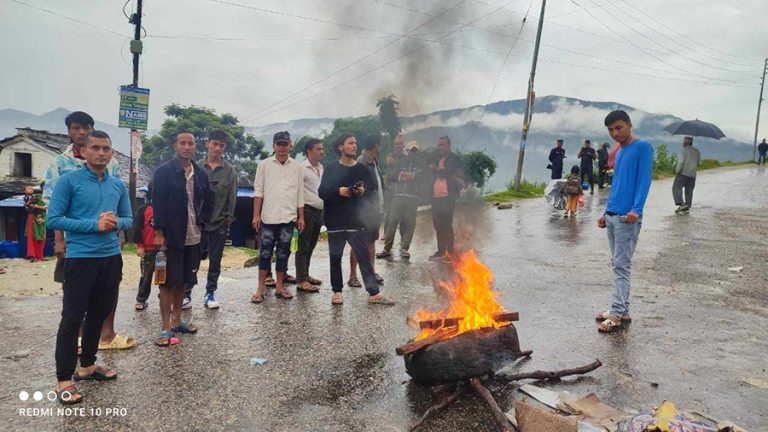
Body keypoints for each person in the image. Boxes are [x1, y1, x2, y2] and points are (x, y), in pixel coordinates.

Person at [48, 130, 132, 404]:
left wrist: (115, 223)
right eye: (95, 148)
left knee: (98, 314)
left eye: (106, 149)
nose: (101, 153)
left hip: (110, 257)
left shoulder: (117, 185)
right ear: (83, 151)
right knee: (72, 317)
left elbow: (129, 219)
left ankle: (87, 367)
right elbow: (54, 218)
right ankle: (63, 379)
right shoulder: (68, 182)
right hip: (80, 258)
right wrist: (92, 225)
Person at [152, 131, 214, 346]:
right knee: (167, 282)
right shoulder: (164, 172)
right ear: (175, 146)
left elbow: (210, 199)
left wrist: (203, 222)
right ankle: (164, 327)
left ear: (195, 147)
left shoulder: (199, 173)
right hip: (171, 237)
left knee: (183, 281)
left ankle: (177, 320)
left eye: (191, 144)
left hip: (193, 237)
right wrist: (159, 233)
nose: (187, 147)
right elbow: (157, 204)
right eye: (183, 143)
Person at [318, 133, 394, 306]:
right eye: (350, 143)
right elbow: (322, 192)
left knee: (364, 257)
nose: (354, 146)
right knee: (335, 257)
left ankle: (374, 293)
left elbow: (371, 190)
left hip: (356, 221)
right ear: (341, 147)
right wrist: (339, 191)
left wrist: (361, 192)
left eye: (356, 143)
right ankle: (337, 291)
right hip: (335, 221)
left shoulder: (361, 169)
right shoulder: (330, 168)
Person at [596, 110, 653, 333]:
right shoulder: (619, 152)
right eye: (610, 130)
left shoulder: (642, 147)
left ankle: (616, 313)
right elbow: (617, 185)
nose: (615, 133)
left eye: (619, 127)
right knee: (617, 263)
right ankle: (623, 310)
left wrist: (636, 210)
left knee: (622, 266)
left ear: (629, 125)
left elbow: (644, 181)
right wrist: (605, 212)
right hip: (613, 215)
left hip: (627, 218)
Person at [183, 130, 238, 309]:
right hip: (198, 224)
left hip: (219, 223)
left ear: (224, 148)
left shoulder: (229, 171)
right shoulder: (196, 167)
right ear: (207, 144)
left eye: (221, 145)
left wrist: (228, 218)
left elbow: (232, 198)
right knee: (193, 260)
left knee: (215, 261)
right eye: (214, 144)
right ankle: (186, 293)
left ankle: (210, 293)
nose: (217, 148)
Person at [250, 131, 304, 304]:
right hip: (267, 218)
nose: (282, 148)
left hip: (288, 218)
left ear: (290, 146)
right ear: (273, 146)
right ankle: (260, 288)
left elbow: (299, 194)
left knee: (283, 253)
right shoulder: (264, 165)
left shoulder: (297, 167)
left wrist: (301, 217)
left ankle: (280, 287)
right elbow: (258, 191)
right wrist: (256, 215)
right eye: (279, 144)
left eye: (285, 144)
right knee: (265, 253)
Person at [348, 137, 385, 287]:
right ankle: (353, 276)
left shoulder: (374, 162)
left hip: (376, 210)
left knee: (371, 242)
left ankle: (371, 272)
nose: (381, 149)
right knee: (358, 243)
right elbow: (357, 189)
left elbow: (379, 186)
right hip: (364, 212)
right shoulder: (361, 163)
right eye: (380, 145)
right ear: (375, 145)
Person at [378, 140, 423, 260]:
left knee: (408, 224)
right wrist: (409, 175)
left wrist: (408, 175)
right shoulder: (401, 161)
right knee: (392, 222)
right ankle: (386, 249)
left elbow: (421, 177)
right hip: (398, 196)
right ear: (407, 151)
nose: (413, 153)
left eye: (415, 150)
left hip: (413, 198)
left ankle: (404, 248)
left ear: (418, 151)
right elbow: (393, 176)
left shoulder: (421, 163)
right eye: (411, 150)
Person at [295, 138, 325, 293]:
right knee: (303, 246)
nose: (321, 152)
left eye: (322, 149)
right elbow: (297, 191)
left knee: (312, 244)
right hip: (306, 211)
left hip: (319, 212)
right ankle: (301, 280)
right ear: (309, 151)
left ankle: (306, 275)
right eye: (318, 149)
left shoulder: (321, 168)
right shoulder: (301, 168)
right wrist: (299, 215)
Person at [429, 136, 465, 261]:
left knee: (446, 224)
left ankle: (450, 251)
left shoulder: (454, 159)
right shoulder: (436, 158)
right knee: (437, 224)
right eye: (439, 145)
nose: (440, 147)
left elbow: (446, 173)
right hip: (435, 197)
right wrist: (436, 169)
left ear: (449, 146)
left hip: (448, 197)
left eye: (442, 145)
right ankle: (440, 251)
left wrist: (435, 169)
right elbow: (432, 171)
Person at [133, 183, 156, 311]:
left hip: (164, 249)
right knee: (146, 275)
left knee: (165, 276)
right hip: (148, 248)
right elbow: (137, 229)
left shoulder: (167, 208)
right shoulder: (143, 209)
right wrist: (140, 245)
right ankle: (141, 298)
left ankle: (164, 299)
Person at [383, 133, 406, 237]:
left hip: (401, 190)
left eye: (400, 144)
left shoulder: (406, 158)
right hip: (389, 189)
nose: (398, 146)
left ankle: (403, 239)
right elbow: (389, 174)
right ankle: (386, 234)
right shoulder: (390, 157)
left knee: (402, 215)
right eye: (396, 144)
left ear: (403, 145)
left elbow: (401, 173)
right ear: (394, 145)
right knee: (388, 214)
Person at [672, 136, 701, 213]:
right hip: (693, 175)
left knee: (676, 187)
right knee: (689, 191)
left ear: (685, 142)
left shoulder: (683, 151)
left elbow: (681, 162)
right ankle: (687, 206)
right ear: (691, 143)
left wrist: (677, 171)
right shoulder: (697, 151)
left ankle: (681, 204)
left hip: (683, 173)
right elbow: (699, 163)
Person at [24, 184, 47, 262]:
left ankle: (40, 255)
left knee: (42, 236)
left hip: (44, 217)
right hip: (34, 216)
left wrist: (38, 207)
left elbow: (49, 207)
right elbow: (29, 206)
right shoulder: (37, 196)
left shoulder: (51, 197)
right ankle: (32, 255)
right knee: (32, 235)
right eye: (45, 187)